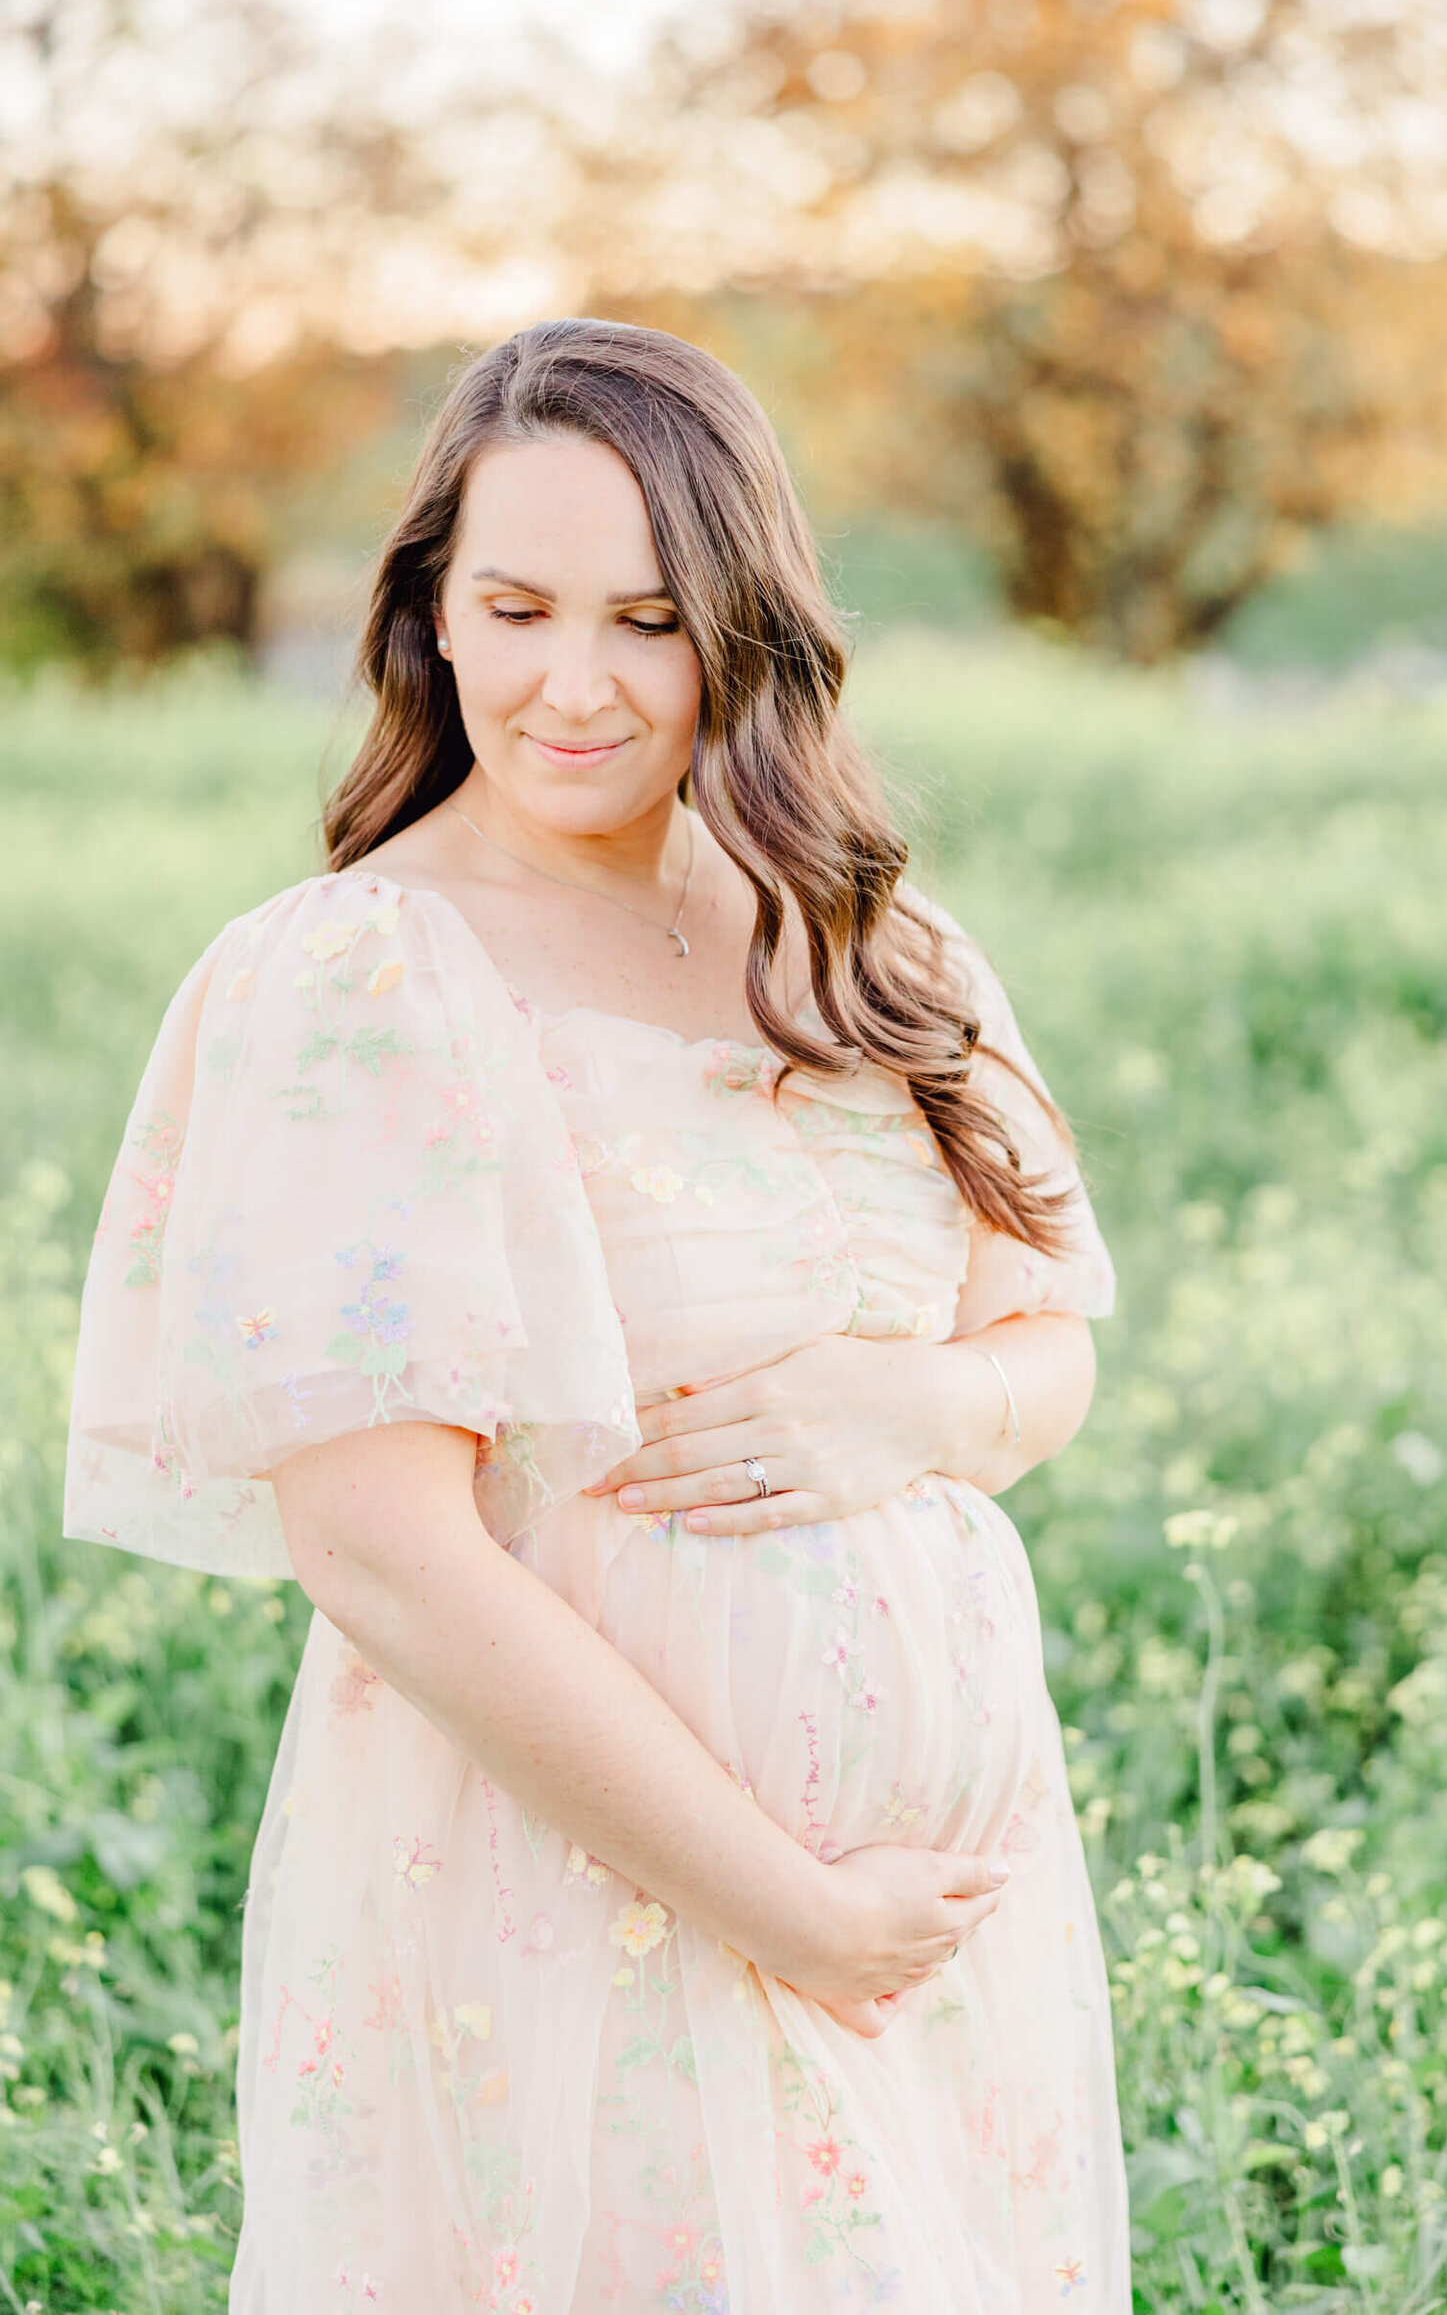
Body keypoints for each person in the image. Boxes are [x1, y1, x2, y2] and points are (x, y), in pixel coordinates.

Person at [63, 319, 1131, 2314]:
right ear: (429, 620)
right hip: (579, 1915)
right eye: (517, 606)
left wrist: (910, 1415)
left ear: (741, 630)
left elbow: (1046, 1339)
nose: (574, 682)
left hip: (932, 1937)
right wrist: (790, 1908)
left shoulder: (868, 942)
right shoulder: (364, 979)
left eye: (647, 618)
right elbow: (377, 1548)